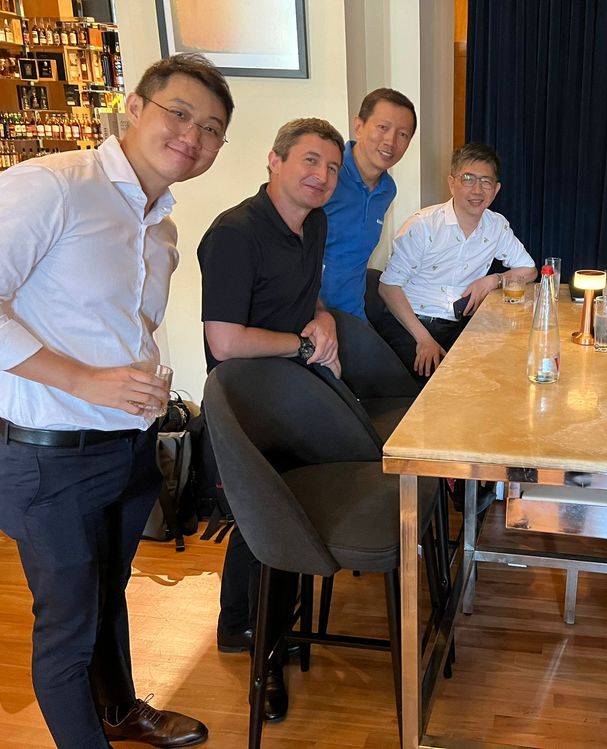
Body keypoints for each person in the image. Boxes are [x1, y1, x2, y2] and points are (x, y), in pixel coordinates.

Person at [0, 53, 233, 749]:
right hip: (47, 459)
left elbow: (124, 326)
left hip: (126, 448)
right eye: (179, 113)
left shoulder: (161, 227)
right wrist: (81, 379)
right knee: (68, 627)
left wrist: (144, 381)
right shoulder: (53, 186)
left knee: (108, 595)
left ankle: (120, 710)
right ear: (134, 107)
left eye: (211, 129)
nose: (192, 136)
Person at [197, 117, 345, 722]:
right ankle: (267, 651)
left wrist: (323, 320)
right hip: (245, 400)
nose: (322, 176)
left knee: (270, 518)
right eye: (310, 161)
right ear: (274, 160)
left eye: (332, 167)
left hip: (291, 387)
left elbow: (308, 296)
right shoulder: (234, 233)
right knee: (274, 518)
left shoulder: (315, 223)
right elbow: (225, 341)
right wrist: (304, 346)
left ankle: (238, 624)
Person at [377, 142, 536, 382]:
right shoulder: (422, 225)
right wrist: (424, 339)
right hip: (412, 324)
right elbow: (388, 287)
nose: (477, 190)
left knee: (506, 369)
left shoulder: (496, 226)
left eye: (486, 181)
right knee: (445, 386)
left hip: (460, 326)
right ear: (452, 183)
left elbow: (529, 270)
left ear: (496, 189)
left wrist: (492, 280)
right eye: (468, 179)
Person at [319, 88, 417, 321]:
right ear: (359, 126)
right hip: (311, 317)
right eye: (382, 127)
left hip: (352, 314)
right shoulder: (326, 174)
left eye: (403, 134)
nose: (390, 141)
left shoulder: (387, 190)